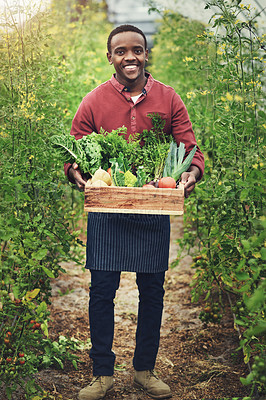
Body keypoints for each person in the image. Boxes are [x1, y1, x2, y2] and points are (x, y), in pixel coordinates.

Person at [65, 24, 204, 400]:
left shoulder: (169, 98)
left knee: (152, 291)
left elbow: (192, 150)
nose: (130, 57)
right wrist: (76, 172)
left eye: (137, 50)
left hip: (152, 208)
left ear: (146, 54)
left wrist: (190, 174)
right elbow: (74, 151)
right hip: (107, 211)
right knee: (101, 291)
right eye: (122, 51)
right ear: (110, 57)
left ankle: (144, 369)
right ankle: (102, 375)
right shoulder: (94, 101)